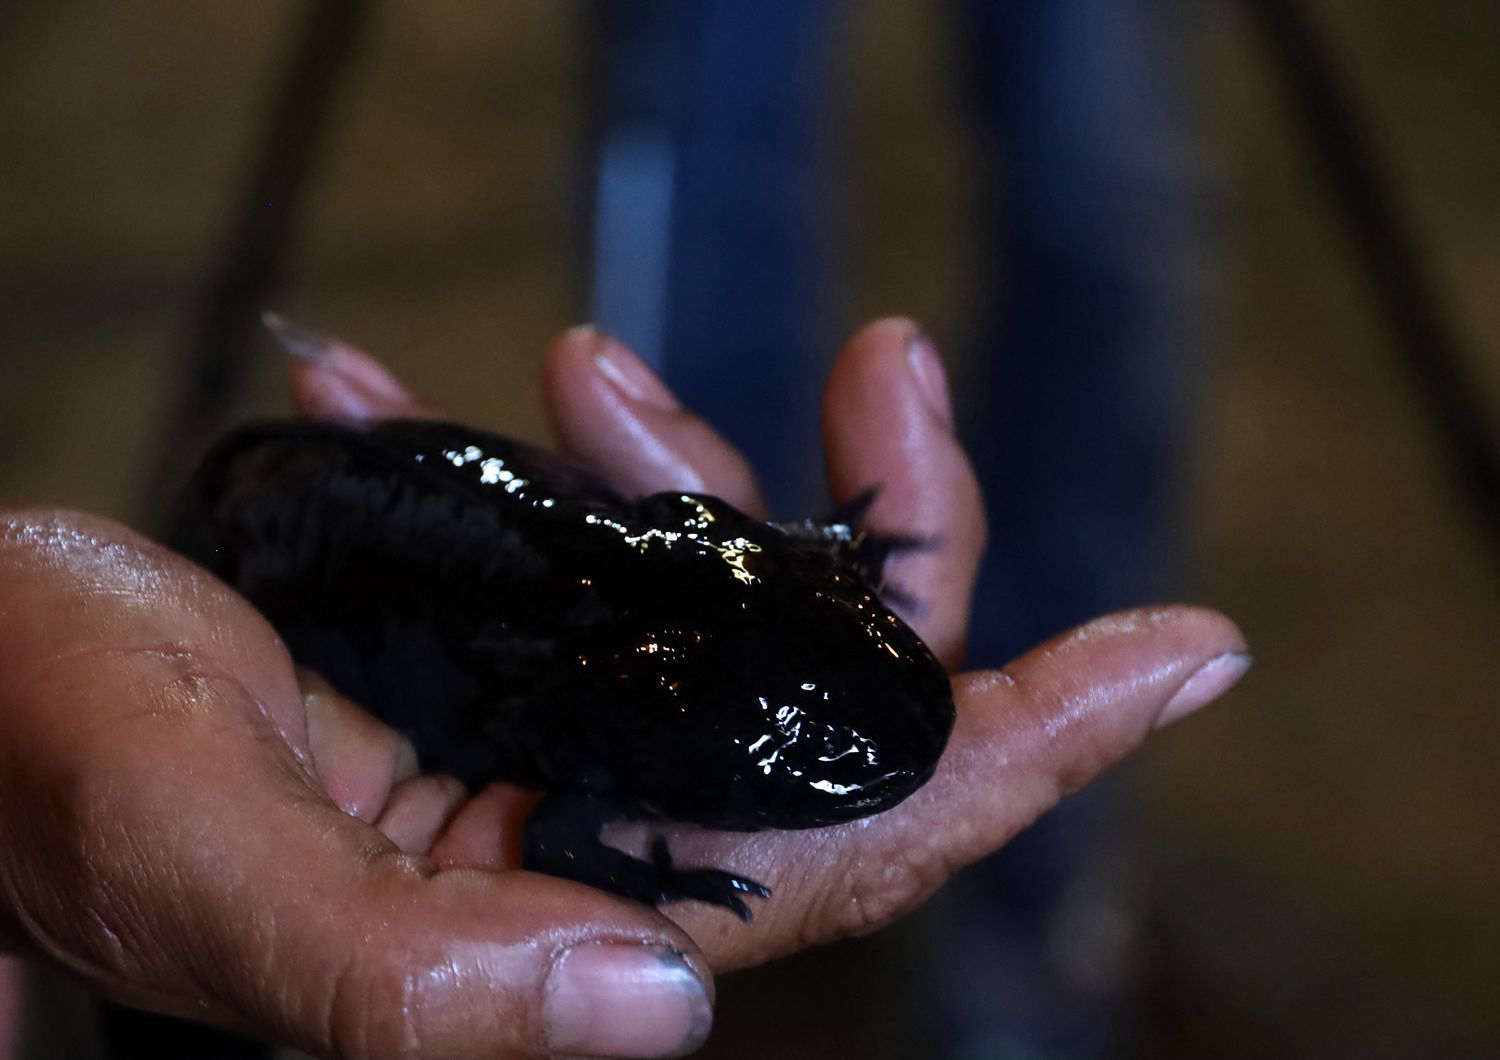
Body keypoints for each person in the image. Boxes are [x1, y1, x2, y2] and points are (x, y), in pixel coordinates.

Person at [0, 320, 1247, 1059]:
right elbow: (558, 824)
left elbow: (726, 548)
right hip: (264, 534)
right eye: (793, 738)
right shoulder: (599, 704)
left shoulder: (696, 581)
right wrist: (643, 879)